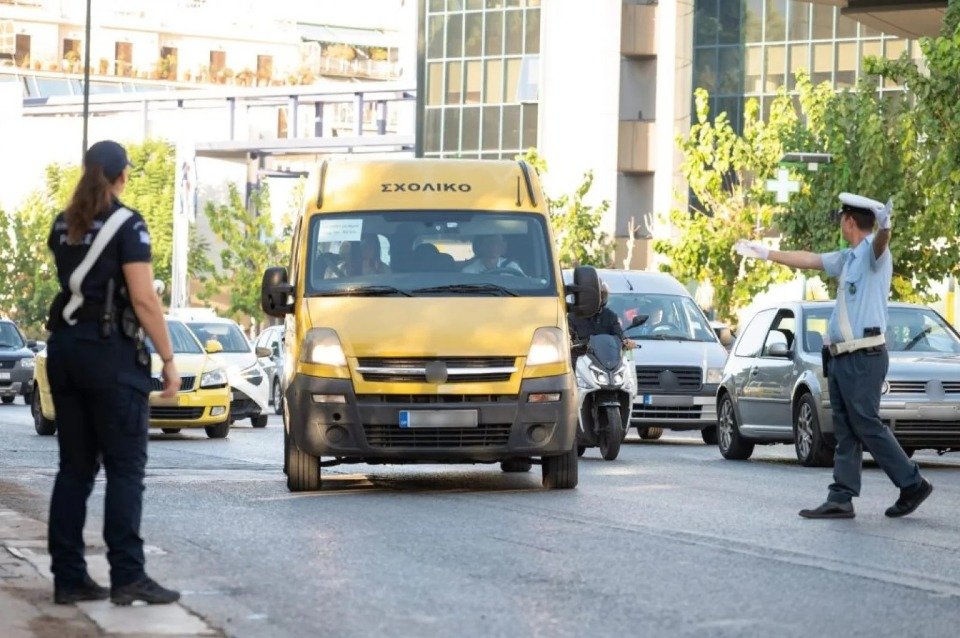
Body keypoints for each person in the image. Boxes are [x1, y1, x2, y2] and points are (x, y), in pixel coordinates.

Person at [736, 192, 932, 520]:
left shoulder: (872, 253)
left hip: (864, 356)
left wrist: (886, 227)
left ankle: (912, 483)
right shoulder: (849, 257)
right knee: (846, 429)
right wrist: (767, 253)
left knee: (866, 423)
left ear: (850, 221)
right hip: (841, 358)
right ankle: (841, 496)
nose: (840, 223)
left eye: (842, 218)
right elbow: (810, 259)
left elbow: (881, 244)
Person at [45, 140, 181, 605]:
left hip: (65, 351)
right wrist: (168, 357)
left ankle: (69, 578)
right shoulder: (128, 224)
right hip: (110, 357)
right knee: (125, 468)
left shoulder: (64, 224)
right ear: (122, 176)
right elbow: (144, 300)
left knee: (75, 470)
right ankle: (128, 576)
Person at [568, 283, 636, 350]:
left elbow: (619, 336)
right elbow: (566, 336)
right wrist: (569, 342)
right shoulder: (572, 317)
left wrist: (626, 342)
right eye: (589, 297)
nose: (593, 300)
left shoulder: (610, 315)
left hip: (604, 356)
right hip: (580, 356)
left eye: (598, 297)